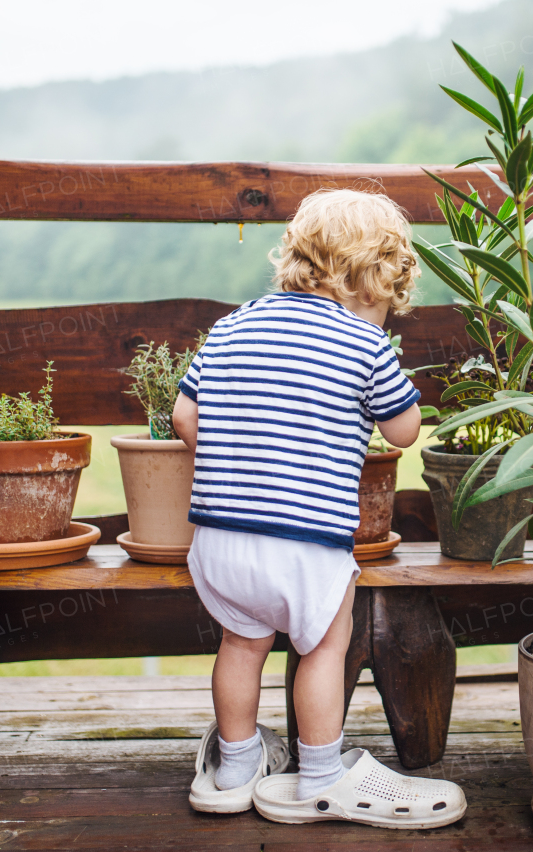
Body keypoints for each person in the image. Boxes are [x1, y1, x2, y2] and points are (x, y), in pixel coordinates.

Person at [172, 189, 466, 828]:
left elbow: (184, 416)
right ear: (379, 278)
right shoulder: (365, 344)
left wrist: (240, 455)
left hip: (221, 543)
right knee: (324, 649)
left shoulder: (233, 324)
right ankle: (321, 776)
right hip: (307, 546)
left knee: (240, 644)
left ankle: (233, 768)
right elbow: (404, 431)